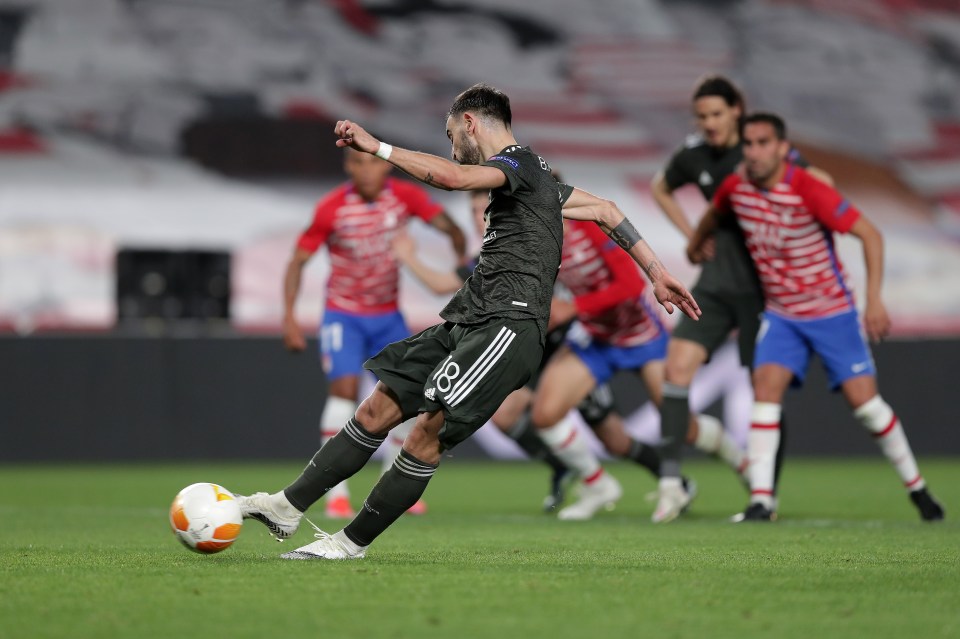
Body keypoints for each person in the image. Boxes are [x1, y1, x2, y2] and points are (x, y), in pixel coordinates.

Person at [236, 83, 700, 560]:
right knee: (378, 408)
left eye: (451, 133)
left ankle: (349, 543)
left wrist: (378, 147)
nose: (452, 145)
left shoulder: (517, 163)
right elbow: (607, 209)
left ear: (470, 123)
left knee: (426, 432)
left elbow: (453, 179)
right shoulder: (536, 179)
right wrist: (659, 273)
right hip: (468, 318)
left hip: (507, 326)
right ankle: (286, 506)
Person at [687, 112, 945, 522]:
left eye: (761, 143)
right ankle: (761, 501)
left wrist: (874, 300)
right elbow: (713, 214)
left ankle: (918, 490)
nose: (752, 152)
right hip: (782, 315)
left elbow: (870, 234)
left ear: (783, 149)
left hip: (831, 312)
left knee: (865, 405)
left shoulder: (808, 188)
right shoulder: (737, 187)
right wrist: (695, 244)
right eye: (748, 144)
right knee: (765, 390)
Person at [649, 75, 832, 523]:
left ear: (737, 110)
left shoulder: (758, 146)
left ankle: (765, 494)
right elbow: (660, 187)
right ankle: (671, 485)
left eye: (716, 114)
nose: (709, 124)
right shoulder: (695, 155)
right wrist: (693, 233)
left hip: (764, 291)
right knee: (676, 370)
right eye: (702, 116)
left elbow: (819, 181)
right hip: (714, 282)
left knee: (763, 391)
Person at [282, 145, 466, 518]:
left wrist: (460, 259)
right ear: (349, 166)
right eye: (358, 163)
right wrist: (289, 317)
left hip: (388, 317)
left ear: (385, 167)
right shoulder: (332, 208)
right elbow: (297, 262)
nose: (367, 171)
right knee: (344, 394)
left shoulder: (406, 197)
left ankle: (394, 489)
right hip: (344, 316)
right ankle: (336, 495)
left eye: (373, 163)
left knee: (408, 397)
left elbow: (450, 227)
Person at [530, 216, 744, 521]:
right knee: (545, 414)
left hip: (642, 337)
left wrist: (574, 308)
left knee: (683, 427)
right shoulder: (537, 237)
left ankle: (743, 463)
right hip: (597, 338)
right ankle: (598, 485)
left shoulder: (591, 227)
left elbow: (630, 285)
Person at [392, 189, 574, 512]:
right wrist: (407, 257)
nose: (481, 218)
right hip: (539, 347)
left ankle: (663, 477)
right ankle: (566, 468)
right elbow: (439, 284)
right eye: (475, 211)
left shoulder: (535, 239)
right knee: (506, 415)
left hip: (577, 341)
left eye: (484, 209)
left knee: (606, 426)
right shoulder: (487, 258)